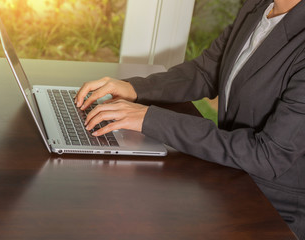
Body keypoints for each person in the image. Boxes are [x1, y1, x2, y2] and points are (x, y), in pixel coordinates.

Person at [75, 0, 305, 238]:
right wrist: (134, 88)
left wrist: (149, 118)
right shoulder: (259, 5)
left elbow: (269, 155)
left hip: (272, 211)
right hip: (230, 177)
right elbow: (206, 72)